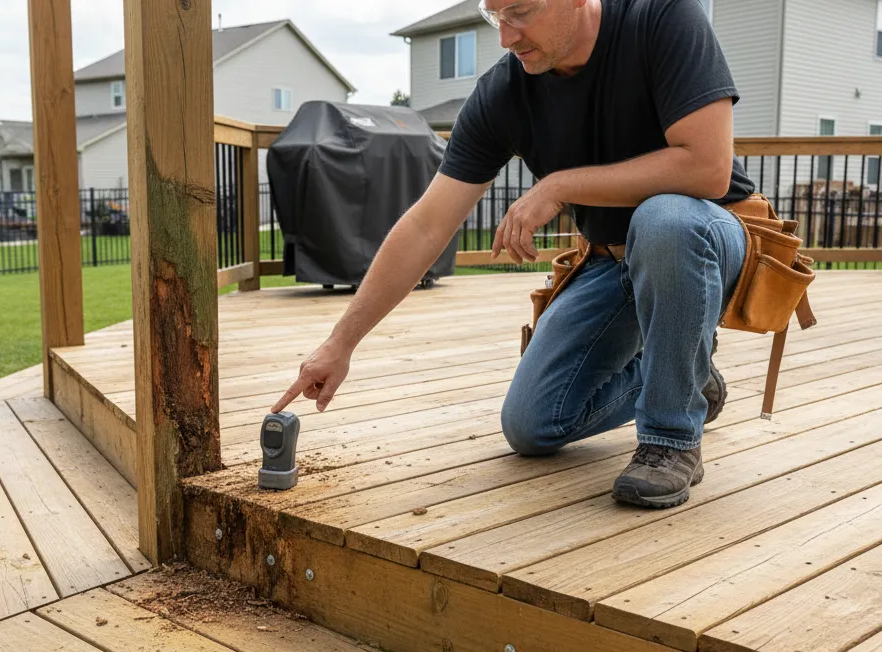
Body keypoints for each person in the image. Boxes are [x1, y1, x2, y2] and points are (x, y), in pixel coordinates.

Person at [272, 0, 756, 510]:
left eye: (520, 11)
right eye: (493, 15)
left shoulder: (662, 18)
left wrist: (560, 185)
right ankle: (689, 380)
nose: (506, 36)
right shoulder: (505, 92)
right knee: (532, 425)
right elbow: (426, 223)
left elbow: (707, 169)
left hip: (705, 238)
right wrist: (340, 344)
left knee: (664, 219)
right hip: (612, 262)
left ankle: (671, 439)